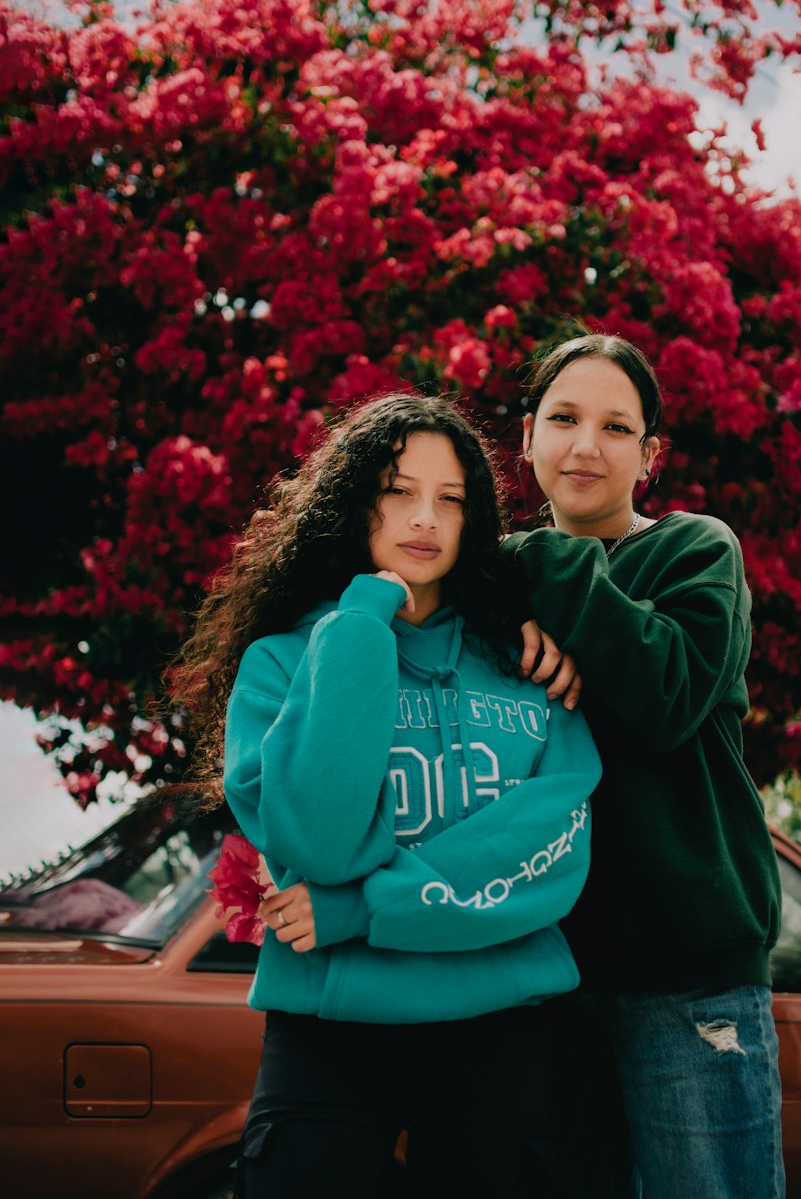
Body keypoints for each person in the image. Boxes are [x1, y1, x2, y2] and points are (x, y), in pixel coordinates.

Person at [169, 393, 601, 1199]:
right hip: (331, 1038)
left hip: (496, 1030)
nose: (425, 519)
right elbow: (319, 841)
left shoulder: (526, 669)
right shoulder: (280, 664)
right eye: (400, 491)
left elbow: (550, 854)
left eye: (450, 499)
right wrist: (360, 623)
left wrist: (359, 910)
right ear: (353, 502)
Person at [504, 334, 785, 1199]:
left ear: (649, 455)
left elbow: (664, 694)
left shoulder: (696, 552)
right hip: (544, 980)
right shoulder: (490, 587)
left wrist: (531, 561)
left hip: (687, 981)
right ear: (527, 436)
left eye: (615, 427)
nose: (586, 445)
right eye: (564, 419)